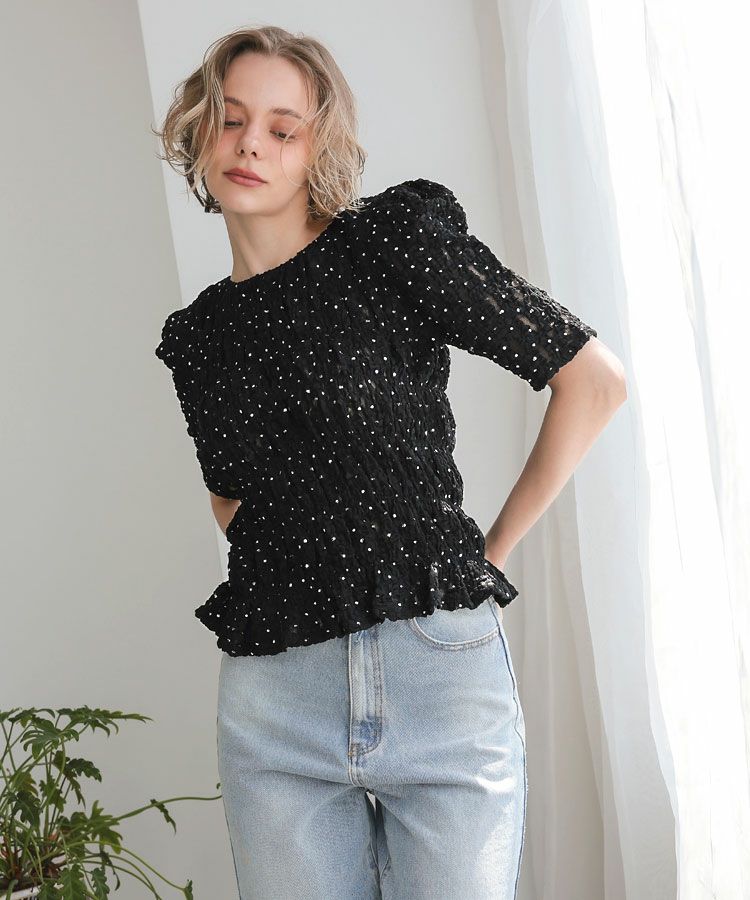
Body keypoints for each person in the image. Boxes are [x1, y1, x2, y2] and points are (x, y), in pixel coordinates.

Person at [153, 24, 626, 900]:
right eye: (231, 119)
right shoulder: (199, 338)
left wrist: (486, 554)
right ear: (199, 129)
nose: (251, 144)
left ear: (316, 150)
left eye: (283, 129)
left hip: (435, 673)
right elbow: (231, 501)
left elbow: (592, 382)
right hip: (277, 700)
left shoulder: (389, 245)